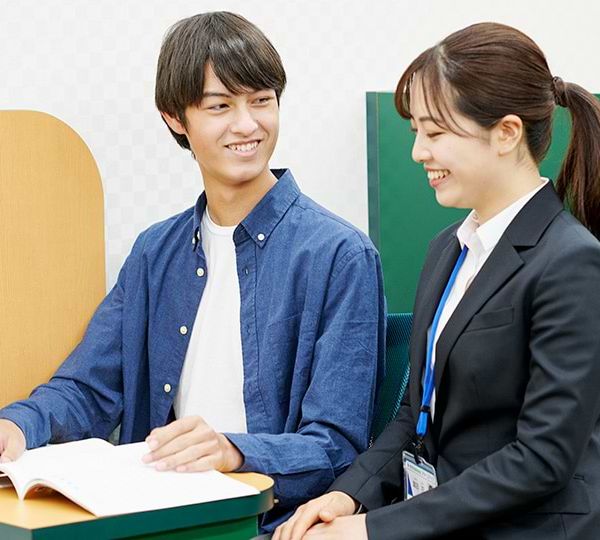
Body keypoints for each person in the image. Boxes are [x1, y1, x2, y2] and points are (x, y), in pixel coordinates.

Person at [0, 12, 385, 531]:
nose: (247, 125)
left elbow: (336, 446)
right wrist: (17, 425)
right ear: (175, 118)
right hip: (152, 515)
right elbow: (88, 389)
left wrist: (232, 451)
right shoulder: (154, 253)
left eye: (261, 101)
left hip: (266, 522)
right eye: (220, 106)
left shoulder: (340, 255)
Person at [275, 22, 600, 539]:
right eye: (416, 133)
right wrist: (348, 494)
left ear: (507, 133)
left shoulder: (572, 262)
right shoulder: (447, 248)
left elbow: (542, 459)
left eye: (436, 132)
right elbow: (415, 413)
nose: (418, 152)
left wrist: (371, 530)